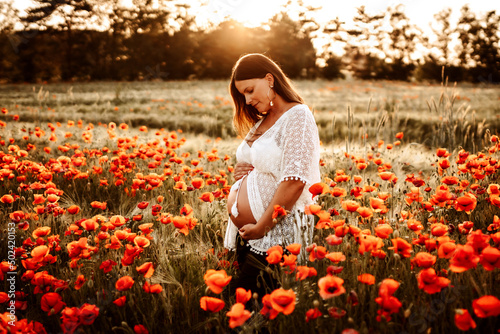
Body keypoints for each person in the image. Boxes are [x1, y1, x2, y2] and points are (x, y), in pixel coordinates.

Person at [224, 53, 321, 299]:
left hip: (276, 234)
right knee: (245, 310)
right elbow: (256, 163)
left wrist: (261, 227)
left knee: (250, 312)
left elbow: (294, 181)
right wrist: (240, 174)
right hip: (249, 233)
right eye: (242, 95)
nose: (246, 100)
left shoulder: (298, 116)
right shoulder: (264, 120)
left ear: (269, 79)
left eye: (249, 90)